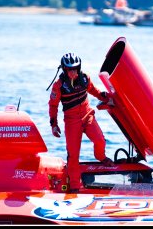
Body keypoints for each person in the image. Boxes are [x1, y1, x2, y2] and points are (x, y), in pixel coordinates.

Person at [48, 53, 114, 193]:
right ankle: (74, 187)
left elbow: (93, 90)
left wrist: (105, 97)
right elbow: (53, 106)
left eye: (75, 69)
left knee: (100, 140)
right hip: (72, 122)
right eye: (70, 70)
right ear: (64, 70)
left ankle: (100, 156)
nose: (73, 72)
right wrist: (54, 125)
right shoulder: (58, 86)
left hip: (87, 116)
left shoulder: (84, 78)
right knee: (73, 156)